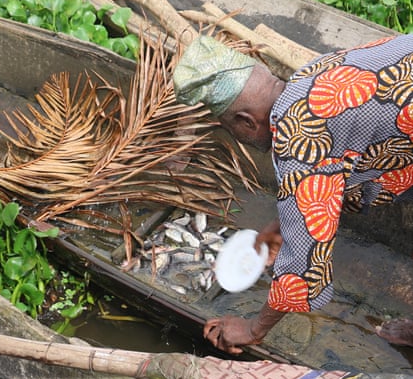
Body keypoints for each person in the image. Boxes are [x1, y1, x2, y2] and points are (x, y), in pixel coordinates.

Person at [173, 34, 413, 354]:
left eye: (229, 128)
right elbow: (335, 171)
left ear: (246, 121)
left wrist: (253, 329)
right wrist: (285, 221)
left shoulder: (296, 135)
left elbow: (303, 267)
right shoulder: (308, 75)